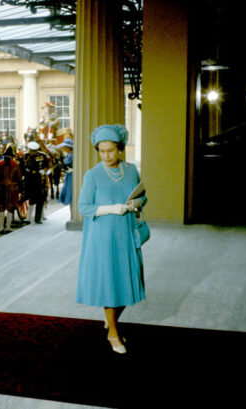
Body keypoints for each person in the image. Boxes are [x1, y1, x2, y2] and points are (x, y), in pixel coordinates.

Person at [76, 124, 147, 354]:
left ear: (120, 149)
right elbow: (84, 207)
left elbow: (142, 195)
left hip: (126, 232)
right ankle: (113, 333)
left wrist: (137, 203)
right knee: (110, 283)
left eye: (110, 150)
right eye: (101, 150)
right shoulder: (93, 175)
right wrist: (110, 209)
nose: (106, 155)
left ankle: (111, 320)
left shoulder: (131, 170)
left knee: (127, 279)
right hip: (103, 236)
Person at [0, 143, 23, 233]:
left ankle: (1, 227)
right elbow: (19, 178)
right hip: (12, 189)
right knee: (10, 208)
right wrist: (20, 190)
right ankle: (8, 227)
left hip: (0, 189)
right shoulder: (15, 164)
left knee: (1, 208)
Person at [22, 141, 51, 224]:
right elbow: (22, 166)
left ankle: (38, 218)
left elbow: (48, 165)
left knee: (40, 199)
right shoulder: (25, 155)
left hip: (39, 178)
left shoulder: (42, 155)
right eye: (31, 151)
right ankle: (28, 217)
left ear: (37, 150)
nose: (32, 153)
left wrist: (45, 171)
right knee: (31, 198)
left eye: (34, 151)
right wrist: (25, 172)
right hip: (29, 179)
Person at [58, 137, 74, 206]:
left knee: (70, 193)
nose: (63, 148)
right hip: (68, 174)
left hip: (72, 175)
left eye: (64, 147)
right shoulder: (67, 155)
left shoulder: (73, 155)